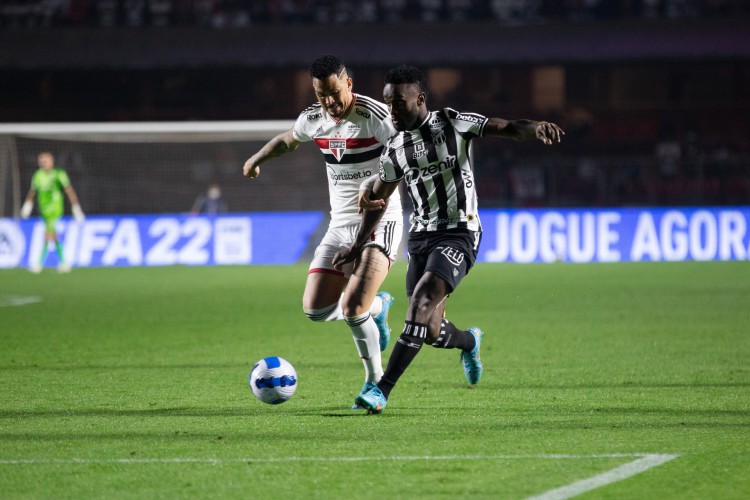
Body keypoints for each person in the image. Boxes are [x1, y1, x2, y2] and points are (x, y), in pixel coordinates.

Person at [333, 65, 564, 413]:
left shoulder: (453, 122)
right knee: (428, 330)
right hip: (420, 239)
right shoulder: (395, 149)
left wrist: (536, 128)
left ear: (420, 99)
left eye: (398, 103)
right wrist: (356, 244)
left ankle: (380, 390)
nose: (392, 110)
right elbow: (377, 202)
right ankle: (470, 341)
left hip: (459, 232)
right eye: (387, 103)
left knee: (421, 303)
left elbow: (507, 127)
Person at [242, 54, 404, 407]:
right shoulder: (314, 119)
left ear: (349, 83)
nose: (328, 102)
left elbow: (405, 156)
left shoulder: (375, 117)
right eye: (320, 95)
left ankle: (375, 384)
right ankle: (378, 307)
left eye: (333, 92)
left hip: (381, 219)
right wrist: (257, 159)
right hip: (341, 224)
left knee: (351, 308)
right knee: (315, 309)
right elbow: (288, 139)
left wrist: (375, 186)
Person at [20, 151, 85, 273]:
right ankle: (63, 262)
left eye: (45, 161)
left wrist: (76, 207)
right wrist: (28, 204)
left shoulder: (58, 174)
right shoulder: (37, 175)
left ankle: (39, 263)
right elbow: (32, 192)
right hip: (43, 209)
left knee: (48, 234)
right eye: (40, 161)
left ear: (51, 161)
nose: (42, 163)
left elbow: (69, 190)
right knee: (52, 235)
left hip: (55, 208)